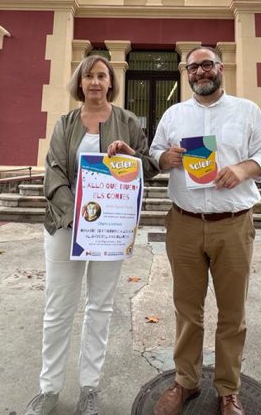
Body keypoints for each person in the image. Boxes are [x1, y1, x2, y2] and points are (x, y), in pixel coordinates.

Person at [25, 55, 159, 415]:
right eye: (89, 76)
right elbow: (53, 174)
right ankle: (49, 389)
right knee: (58, 308)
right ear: (80, 83)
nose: (96, 82)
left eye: (102, 75)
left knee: (100, 307)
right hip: (65, 227)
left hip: (109, 234)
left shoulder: (127, 121)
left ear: (111, 82)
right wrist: (78, 218)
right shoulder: (65, 123)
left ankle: (89, 389)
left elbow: (148, 168)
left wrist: (131, 155)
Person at [150, 47, 261, 415]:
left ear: (219, 69)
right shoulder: (175, 114)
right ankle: (185, 383)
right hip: (185, 225)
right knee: (187, 310)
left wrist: (243, 169)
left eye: (207, 65)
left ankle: (228, 389)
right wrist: (165, 158)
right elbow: (155, 154)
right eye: (194, 67)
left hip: (233, 225)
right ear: (186, 73)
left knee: (232, 313)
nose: (201, 72)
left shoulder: (246, 111)